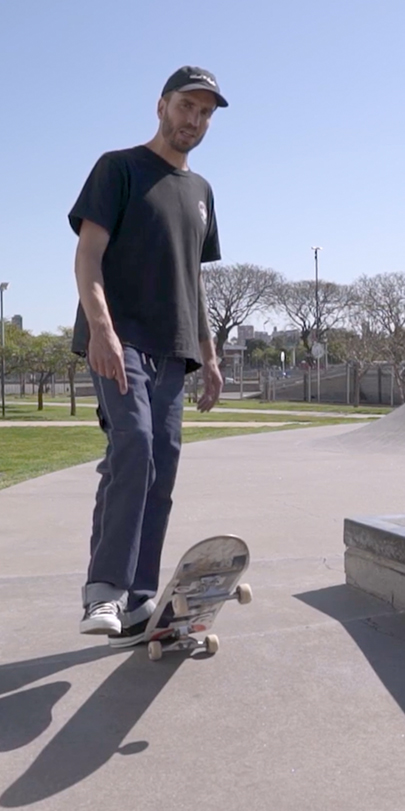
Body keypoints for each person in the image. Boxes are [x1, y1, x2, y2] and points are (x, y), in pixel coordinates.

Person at [68, 66, 228, 648]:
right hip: (121, 339)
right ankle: (105, 589)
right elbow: (88, 256)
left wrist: (209, 356)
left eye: (205, 113)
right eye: (187, 106)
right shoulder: (119, 168)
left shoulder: (202, 192)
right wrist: (101, 330)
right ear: (162, 105)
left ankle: (137, 601)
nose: (194, 120)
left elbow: (194, 282)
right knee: (132, 446)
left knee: (161, 468)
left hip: (176, 349)